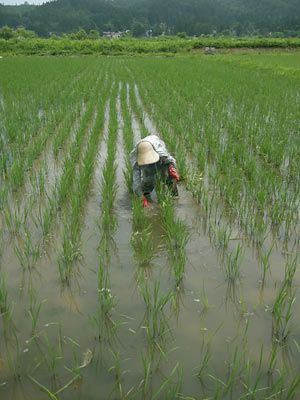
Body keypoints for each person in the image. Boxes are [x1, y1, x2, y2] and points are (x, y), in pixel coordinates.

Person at [130, 134, 180, 207]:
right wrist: (140, 196)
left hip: (158, 154)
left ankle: (174, 194)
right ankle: (146, 194)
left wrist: (172, 168)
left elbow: (170, 160)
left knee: (168, 176)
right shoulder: (135, 158)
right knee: (149, 179)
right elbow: (136, 181)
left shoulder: (161, 152)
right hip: (146, 153)